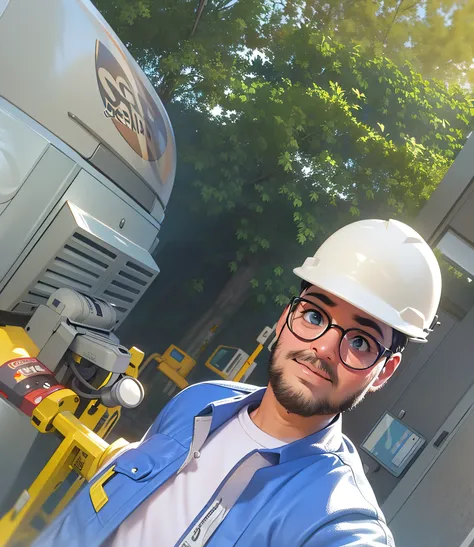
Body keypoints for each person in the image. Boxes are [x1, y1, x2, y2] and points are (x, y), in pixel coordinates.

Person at [34, 218, 442, 547]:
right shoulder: (199, 402)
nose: (323, 349)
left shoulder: (336, 518)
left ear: (384, 371)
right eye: (315, 316)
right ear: (285, 319)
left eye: (360, 341)